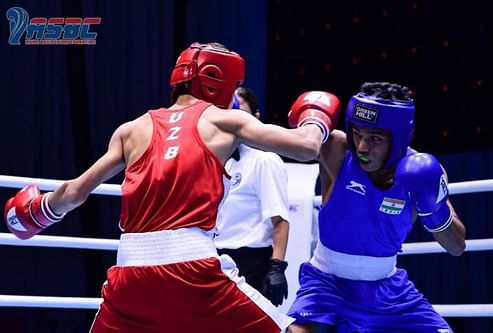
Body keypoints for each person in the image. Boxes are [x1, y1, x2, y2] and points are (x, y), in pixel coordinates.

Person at [3, 42, 341, 333]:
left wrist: (39, 210)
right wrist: (315, 116)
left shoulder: (131, 129)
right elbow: (307, 147)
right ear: (220, 81)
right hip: (193, 269)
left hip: (129, 274)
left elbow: (75, 193)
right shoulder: (225, 119)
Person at [287, 82, 466, 333]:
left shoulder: (422, 172)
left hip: (389, 292)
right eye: (357, 133)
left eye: (374, 138)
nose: (361, 147)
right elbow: (288, 142)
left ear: (400, 137)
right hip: (326, 285)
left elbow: (456, 247)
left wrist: (433, 209)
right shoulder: (336, 150)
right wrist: (312, 121)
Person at [216, 86, 290, 307]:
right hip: (209, 258)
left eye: (242, 116)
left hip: (250, 262)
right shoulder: (210, 159)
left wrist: (277, 267)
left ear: (255, 119)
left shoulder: (264, 160)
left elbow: (280, 220)